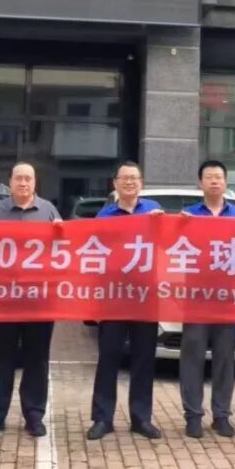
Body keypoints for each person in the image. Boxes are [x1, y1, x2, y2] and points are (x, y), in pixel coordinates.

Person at [0, 163, 62, 440]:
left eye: (28, 178)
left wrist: (62, 231)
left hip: (39, 299)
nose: (23, 183)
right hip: (2, 298)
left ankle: (34, 416)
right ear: (10, 181)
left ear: (35, 182)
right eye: (18, 178)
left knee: (37, 358)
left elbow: (64, 249)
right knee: (0, 358)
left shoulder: (49, 212)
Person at [87, 162, 164, 442]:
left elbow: (170, 245)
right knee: (108, 358)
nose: (129, 182)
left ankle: (141, 418)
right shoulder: (105, 215)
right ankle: (102, 418)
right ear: (115, 184)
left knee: (143, 360)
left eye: (134, 178)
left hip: (145, 298)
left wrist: (164, 224)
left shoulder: (154, 211)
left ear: (141, 183)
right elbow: (95, 253)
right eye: (124, 178)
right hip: (113, 298)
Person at [178, 160, 235, 439]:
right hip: (196, 298)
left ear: (226, 182)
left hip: (228, 298)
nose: (214, 181)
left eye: (219, 177)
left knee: (225, 358)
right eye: (209, 177)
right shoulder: (188, 215)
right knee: (192, 358)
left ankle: (221, 416)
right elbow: (168, 246)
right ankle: (193, 415)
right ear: (201, 183)